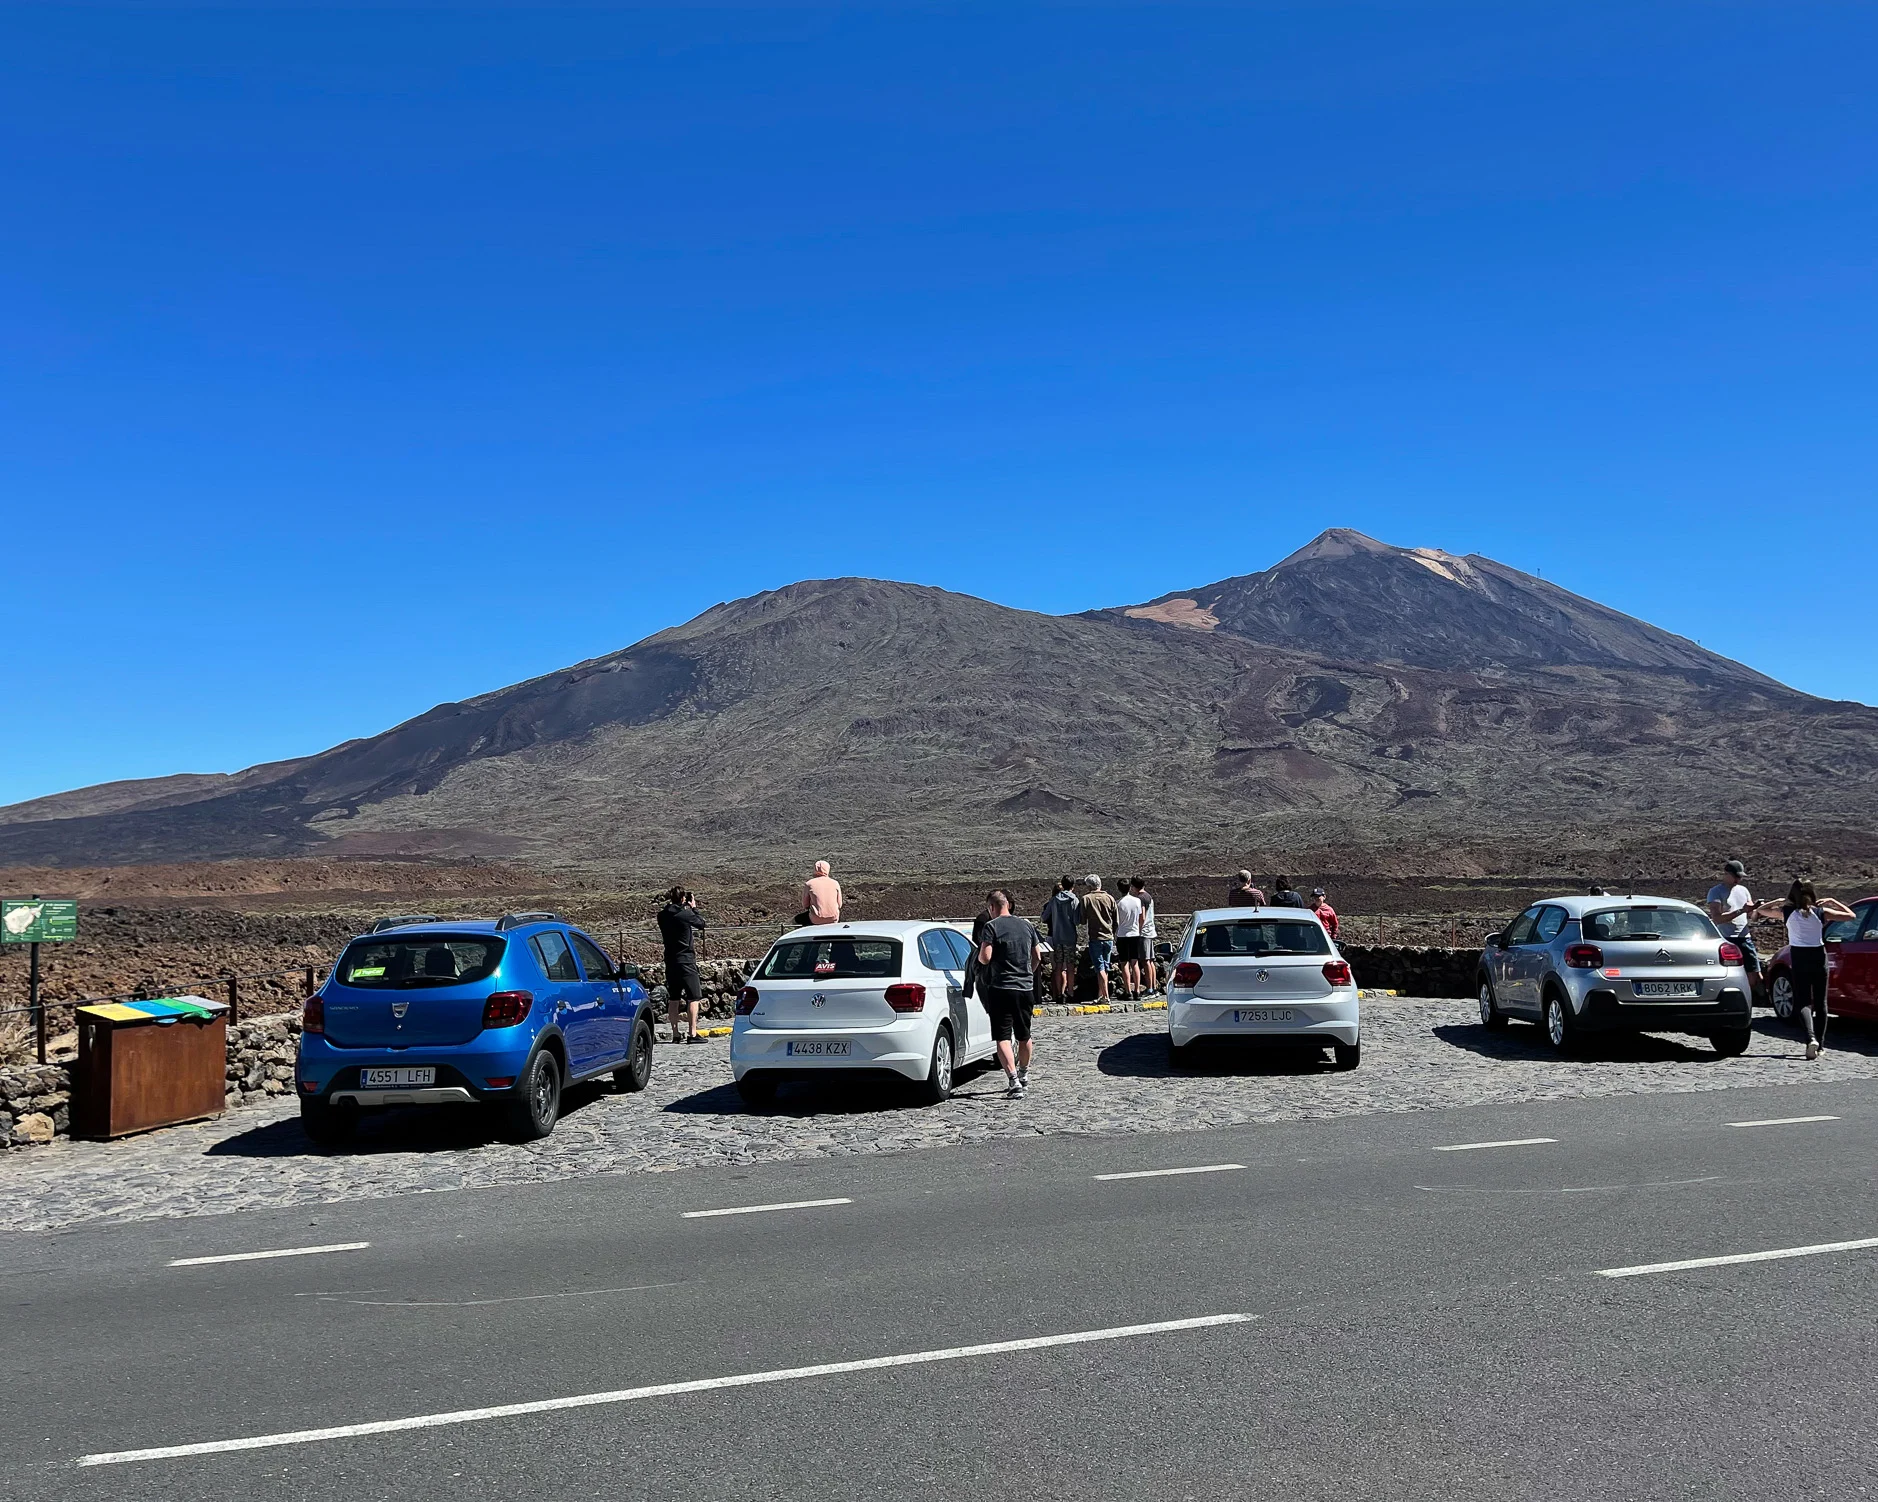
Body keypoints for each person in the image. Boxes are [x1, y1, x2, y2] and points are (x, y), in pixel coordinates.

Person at [1755, 881, 1856, 1060]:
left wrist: (1777, 901)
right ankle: (1821, 1045)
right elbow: (1851, 916)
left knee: (1803, 1002)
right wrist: (1833, 901)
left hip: (1799, 956)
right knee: (1821, 1002)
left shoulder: (1787, 912)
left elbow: (1761, 910)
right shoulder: (1821, 912)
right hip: (1818, 956)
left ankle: (1810, 1038)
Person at [975, 889, 1040, 1096]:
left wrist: (979, 958)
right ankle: (1024, 1074)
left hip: (1001, 988)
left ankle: (1013, 1080)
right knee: (1024, 1034)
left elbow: (985, 957)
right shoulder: (1027, 925)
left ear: (991, 907)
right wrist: (1027, 973)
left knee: (1003, 1036)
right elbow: (1037, 956)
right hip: (1025, 988)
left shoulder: (991, 926)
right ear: (1008, 905)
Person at [656, 885, 706, 1044]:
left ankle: (675, 1033)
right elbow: (701, 924)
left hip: (670, 961)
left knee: (674, 998)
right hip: (686, 960)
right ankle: (692, 1033)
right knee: (693, 997)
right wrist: (693, 908)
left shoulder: (662, 915)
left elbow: (668, 912)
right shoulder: (685, 914)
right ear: (683, 898)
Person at [1705, 860, 1758, 985]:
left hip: (1744, 938)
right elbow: (1717, 918)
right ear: (1726, 874)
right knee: (1729, 974)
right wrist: (1741, 911)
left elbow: (1752, 915)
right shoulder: (1716, 892)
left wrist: (1757, 910)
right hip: (1726, 939)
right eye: (1736, 876)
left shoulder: (1743, 890)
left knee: (1754, 974)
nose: (1738, 880)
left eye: (1740, 877)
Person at [1040, 876, 1081, 1003]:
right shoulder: (1074, 900)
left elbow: (1044, 917)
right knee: (1070, 966)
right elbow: (1077, 921)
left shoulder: (1054, 900)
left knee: (1058, 966)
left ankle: (1059, 994)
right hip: (1070, 937)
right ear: (1073, 886)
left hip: (1057, 937)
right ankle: (1070, 992)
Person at [1079, 874, 1118, 1003]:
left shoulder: (1086, 899)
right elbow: (1116, 920)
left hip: (1096, 937)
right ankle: (1100, 995)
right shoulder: (1110, 898)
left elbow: (1082, 920)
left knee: (1099, 967)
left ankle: (1105, 996)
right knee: (1105, 966)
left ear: (1089, 886)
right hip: (1109, 937)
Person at [1115, 878, 1145, 1001]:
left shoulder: (1118, 903)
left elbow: (1116, 921)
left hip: (1122, 935)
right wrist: (1139, 929)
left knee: (1124, 964)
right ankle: (1137, 990)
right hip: (1135, 933)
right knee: (1135, 963)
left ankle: (1128, 991)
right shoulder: (1137, 901)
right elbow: (1141, 917)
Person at [1133, 877, 1160, 995]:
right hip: (1150, 930)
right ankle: (1153, 987)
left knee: (1145, 961)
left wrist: (1138, 931)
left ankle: (1150, 989)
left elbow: (1142, 916)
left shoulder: (1140, 898)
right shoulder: (1148, 896)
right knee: (1151, 961)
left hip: (1144, 932)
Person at [801, 860, 843, 926]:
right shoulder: (835, 883)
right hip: (833, 918)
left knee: (797, 920)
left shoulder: (809, 884)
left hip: (816, 919)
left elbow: (805, 905)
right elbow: (840, 905)